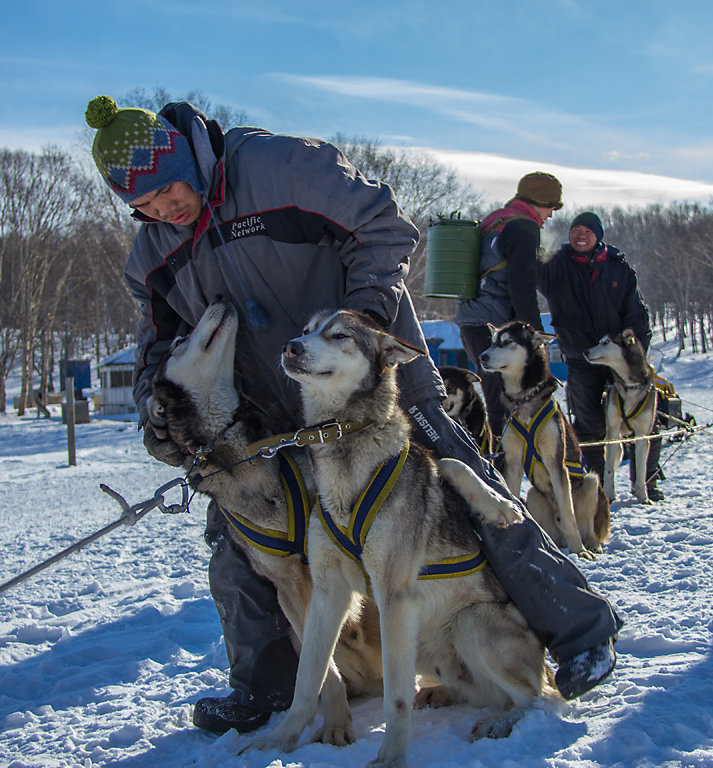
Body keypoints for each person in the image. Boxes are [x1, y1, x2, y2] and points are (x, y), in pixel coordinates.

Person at [84, 96, 623, 733]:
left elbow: (384, 226)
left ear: (183, 157)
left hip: (375, 385)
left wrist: (365, 314)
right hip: (275, 416)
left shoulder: (277, 167)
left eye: (168, 190)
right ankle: (268, 688)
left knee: (467, 491)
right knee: (239, 543)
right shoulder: (152, 253)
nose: (163, 210)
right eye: (143, 206)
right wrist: (159, 409)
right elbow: (157, 346)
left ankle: (579, 631)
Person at [535, 212, 664, 500]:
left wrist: (636, 354)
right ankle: (594, 486)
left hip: (619, 355)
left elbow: (636, 313)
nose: (580, 235)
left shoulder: (618, 268)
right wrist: (528, 234)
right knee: (589, 423)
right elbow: (534, 270)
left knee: (647, 422)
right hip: (581, 355)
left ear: (598, 235)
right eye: (575, 230)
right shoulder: (557, 264)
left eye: (587, 231)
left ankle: (648, 482)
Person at [455, 173, 559, 443]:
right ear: (540, 201)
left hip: (470, 320)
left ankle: (492, 456)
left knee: (493, 393)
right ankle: (500, 464)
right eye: (551, 207)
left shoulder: (495, 221)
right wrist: (534, 335)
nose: (550, 215)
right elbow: (522, 285)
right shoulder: (523, 227)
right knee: (503, 397)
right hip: (494, 325)